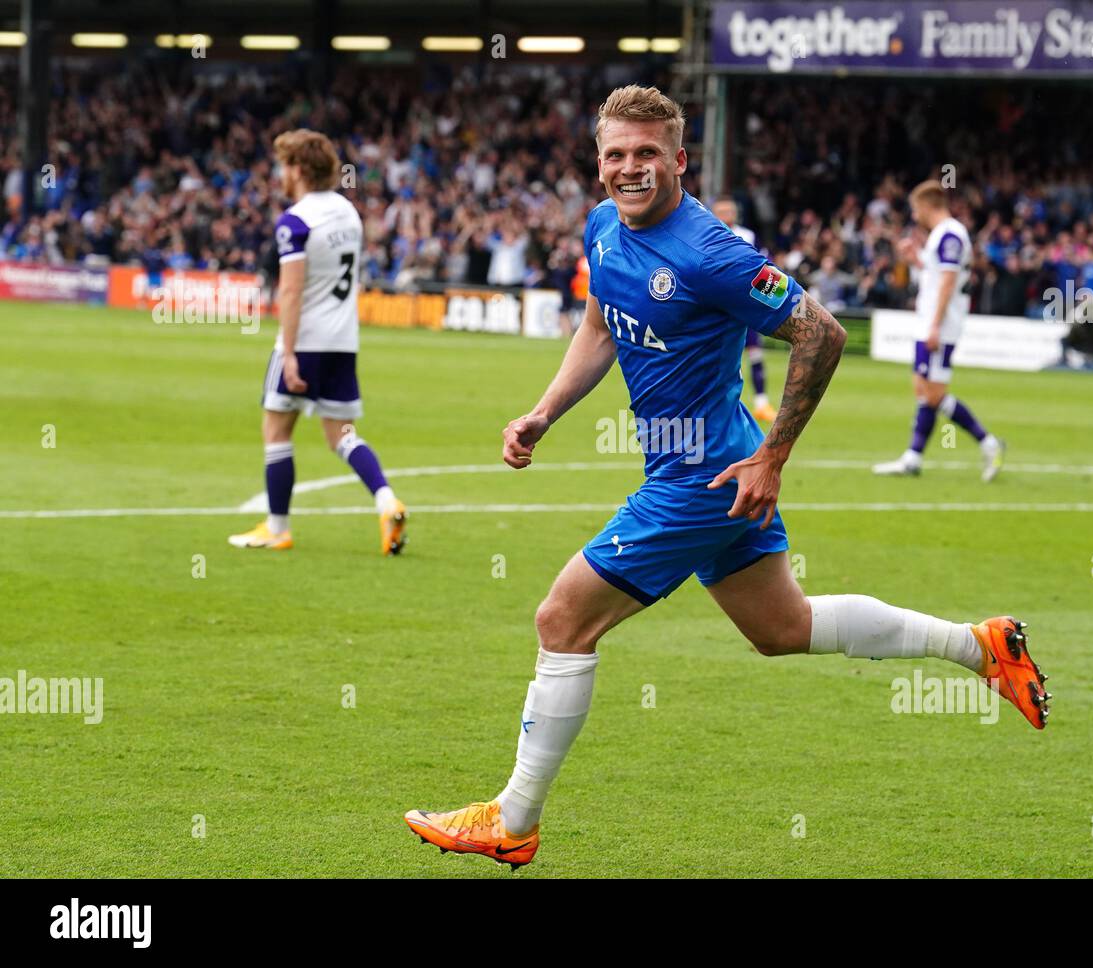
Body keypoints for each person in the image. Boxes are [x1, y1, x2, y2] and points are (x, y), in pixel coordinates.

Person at [403, 88, 1048, 869]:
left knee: (561, 620)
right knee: (783, 629)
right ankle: (980, 647)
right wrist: (545, 413)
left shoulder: (712, 253)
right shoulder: (603, 226)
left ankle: (513, 818)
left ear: (679, 159)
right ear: (599, 161)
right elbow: (600, 326)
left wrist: (774, 456)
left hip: (704, 477)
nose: (631, 168)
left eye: (648, 153)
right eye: (616, 154)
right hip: (708, 469)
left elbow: (823, 331)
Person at [228, 129, 407, 555]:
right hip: (343, 341)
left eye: (283, 165)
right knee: (341, 434)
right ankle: (387, 501)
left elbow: (290, 291)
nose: (279, 174)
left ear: (299, 169)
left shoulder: (295, 221)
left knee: (276, 426)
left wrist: (288, 353)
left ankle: (277, 527)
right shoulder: (348, 213)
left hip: (305, 339)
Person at [873, 181, 1005, 481]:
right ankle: (913, 457)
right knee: (922, 387)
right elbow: (936, 276)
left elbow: (948, 281)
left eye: (915, 208)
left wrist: (935, 325)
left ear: (927, 205)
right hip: (929, 321)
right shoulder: (940, 237)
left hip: (941, 325)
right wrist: (915, 260)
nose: (914, 214)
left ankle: (989, 443)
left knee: (934, 393)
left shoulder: (950, 234)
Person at [712, 196, 776, 422]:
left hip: (745, 304)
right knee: (718, 356)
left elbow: (764, 265)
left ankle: (761, 403)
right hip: (716, 305)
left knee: (755, 352)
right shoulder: (706, 235)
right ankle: (719, 405)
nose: (726, 215)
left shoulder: (747, 236)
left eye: (729, 210)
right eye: (721, 211)